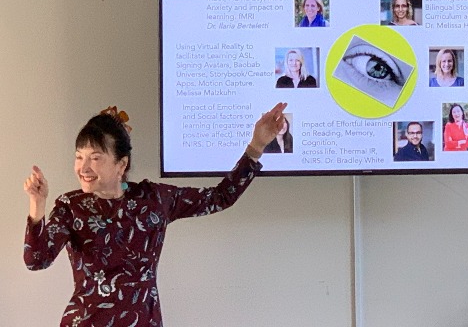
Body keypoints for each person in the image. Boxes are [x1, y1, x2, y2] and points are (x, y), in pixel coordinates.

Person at [23, 102, 287, 326]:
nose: (84, 167)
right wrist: (38, 204)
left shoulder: (153, 199)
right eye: (79, 157)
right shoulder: (70, 205)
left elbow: (220, 197)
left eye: (95, 157)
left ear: (121, 164)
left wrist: (256, 146)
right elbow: (36, 260)